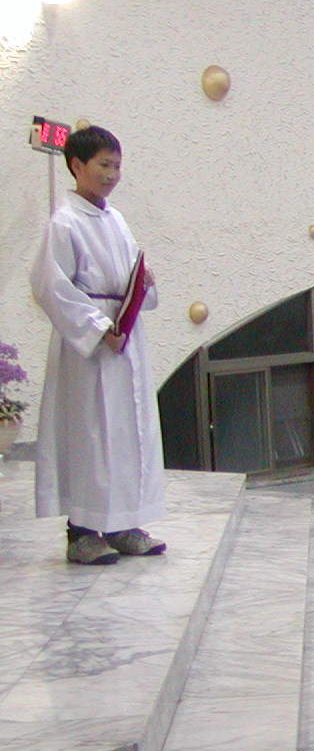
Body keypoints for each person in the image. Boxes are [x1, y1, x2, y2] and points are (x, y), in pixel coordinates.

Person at [31, 125, 165, 566]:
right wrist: (96, 326)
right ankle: (84, 532)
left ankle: (124, 522)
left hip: (124, 339)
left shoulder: (116, 220)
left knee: (127, 430)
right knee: (91, 433)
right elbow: (50, 286)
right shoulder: (64, 222)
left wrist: (143, 284)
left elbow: (129, 272)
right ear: (77, 165)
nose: (112, 175)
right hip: (89, 347)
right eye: (104, 165)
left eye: (117, 166)